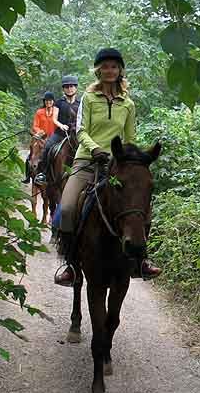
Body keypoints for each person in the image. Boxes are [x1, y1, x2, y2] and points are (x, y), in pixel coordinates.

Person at [54, 48, 162, 286]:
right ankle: (71, 263)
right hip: (87, 159)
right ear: (98, 70)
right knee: (69, 207)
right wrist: (95, 149)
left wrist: (129, 159)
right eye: (105, 66)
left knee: (139, 206)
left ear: (120, 70)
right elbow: (80, 130)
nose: (110, 70)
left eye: (114, 66)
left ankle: (140, 260)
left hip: (117, 163)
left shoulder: (128, 104)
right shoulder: (88, 98)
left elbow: (130, 137)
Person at [34, 75, 81, 187]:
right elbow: (54, 119)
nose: (69, 88)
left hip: (76, 134)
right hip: (60, 133)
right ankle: (43, 174)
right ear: (63, 89)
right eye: (67, 87)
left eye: (72, 86)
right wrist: (61, 125)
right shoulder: (59, 103)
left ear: (76, 88)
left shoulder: (80, 103)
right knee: (47, 147)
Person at [21, 92, 57, 183]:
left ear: (53, 101)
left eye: (50, 100)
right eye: (46, 100)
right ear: (44, 102)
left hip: (53, 137)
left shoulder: (57, 111)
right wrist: (39, 132)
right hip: (40, 136)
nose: (48, 102)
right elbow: (35, 125)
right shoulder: (39, 112)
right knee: (31, 154)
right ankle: (28, 176)